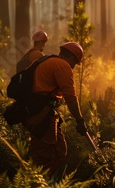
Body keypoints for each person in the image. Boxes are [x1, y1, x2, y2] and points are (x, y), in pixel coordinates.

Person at [21, 42, 88, 176]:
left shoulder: (47, 60)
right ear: (72, 58)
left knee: (59, 151)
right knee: (44, 157)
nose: (73, 67)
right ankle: (37, 182)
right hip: (40, 114)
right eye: (75, 63)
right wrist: (80, 120)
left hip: (39, 112)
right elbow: (71, 97)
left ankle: (46, 181)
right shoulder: (62, 66)